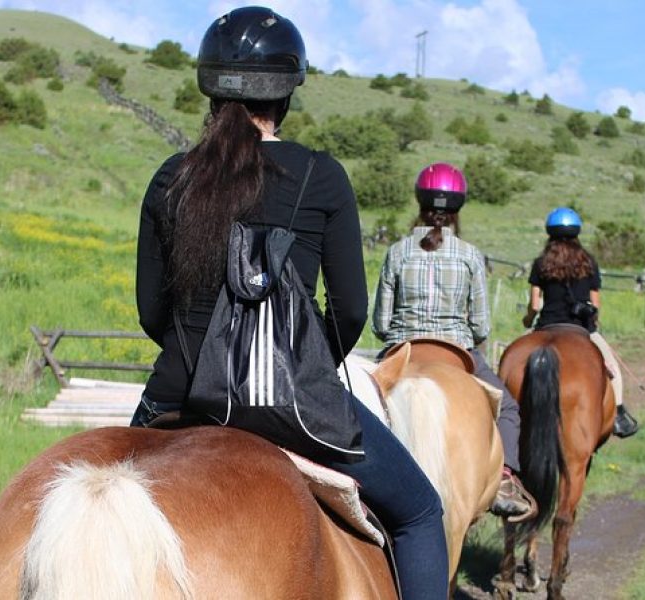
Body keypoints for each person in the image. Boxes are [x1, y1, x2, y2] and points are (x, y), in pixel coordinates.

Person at [129, 7, 447, 599]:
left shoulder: (169, 178)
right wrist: (305, 362)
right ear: (285, 94)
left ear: (209, 89)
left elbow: (152, 310)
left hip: (176, 397)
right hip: (291, 404)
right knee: (421, 513)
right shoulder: (321, 177)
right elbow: (351, 308)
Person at [372, 162, 537, 520]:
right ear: (458, 208)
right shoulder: (469, 255)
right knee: (508, 408)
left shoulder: (398, 251)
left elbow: (381, 323)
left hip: (402, 351)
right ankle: (506, 479)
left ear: (420, 202)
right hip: (456, 351)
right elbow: (480, 327)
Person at [522, 207, 639, 438]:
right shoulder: (589, 262)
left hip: (546, 325)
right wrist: (592, 324)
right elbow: (595, 304)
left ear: (550, 234)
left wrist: (527, 320)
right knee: (613, 370)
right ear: (577, 233)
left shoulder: (541, 263)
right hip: (582, 328)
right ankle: (618, 415)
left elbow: (535, 305)